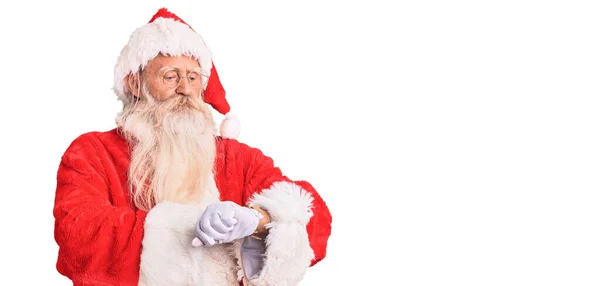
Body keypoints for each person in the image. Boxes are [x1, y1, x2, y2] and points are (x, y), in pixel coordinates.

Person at [53, 7, 332, 286]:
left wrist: (255, 220)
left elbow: (313, 214)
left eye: (193, 77)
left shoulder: (236, 158)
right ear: (135, 83)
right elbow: (78, 234)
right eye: (170, 76)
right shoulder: (93, 152)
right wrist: (186, 228)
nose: (185, 89)